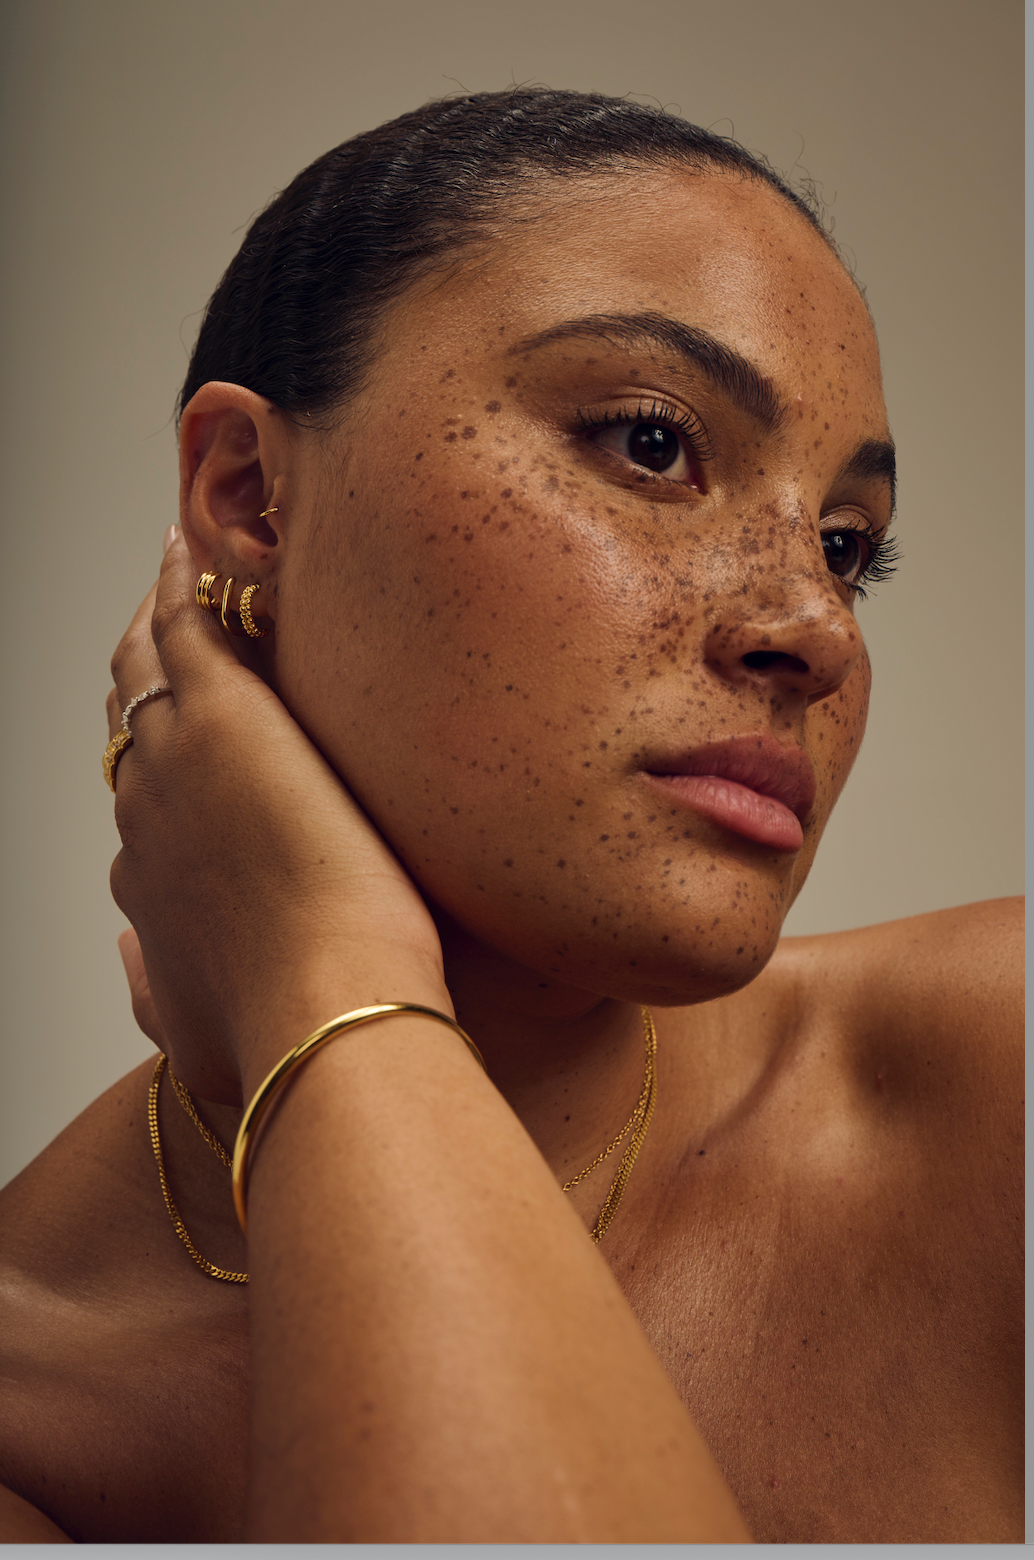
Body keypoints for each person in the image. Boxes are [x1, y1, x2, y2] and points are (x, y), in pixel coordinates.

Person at [0, 89, 1021, 1544]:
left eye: (848, 546)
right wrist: (335, 982)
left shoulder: (995, 1087)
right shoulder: (40, 1419)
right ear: (251, 498)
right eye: (653, 444)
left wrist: (315, 981)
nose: (818, 628)